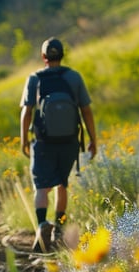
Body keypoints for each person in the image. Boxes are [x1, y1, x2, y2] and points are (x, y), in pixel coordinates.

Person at [20, 37, 97, 252]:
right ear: (62, 55)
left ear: (43, 57)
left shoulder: (34, 78)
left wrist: (24, 140)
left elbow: (26, 112)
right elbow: (86, 111)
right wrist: (93, 139)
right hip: (69, 141)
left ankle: (43, 223)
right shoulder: (74, 77)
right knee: (61, 183)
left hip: (43, 142)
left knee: (42, 186)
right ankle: (59, 228)